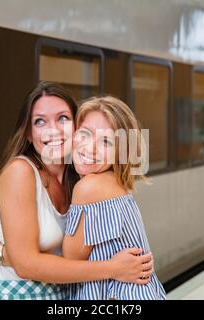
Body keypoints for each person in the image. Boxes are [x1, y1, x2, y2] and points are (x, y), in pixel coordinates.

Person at [0, 82, 154, 300]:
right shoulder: (20, 172)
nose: (53, 130)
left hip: (58, 295)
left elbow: (68, 257)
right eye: (40, 121)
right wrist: (114, 268)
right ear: (29, 134)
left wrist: (1, 254)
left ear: (75, 126)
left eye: (63, 118)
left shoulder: (82, 179)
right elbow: (27, 265)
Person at [62, 96, 166, 300]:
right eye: (85, 134)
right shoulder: (115, 182)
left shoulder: (88, 188)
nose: (90, 148)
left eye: (106, 141)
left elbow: (69, 261)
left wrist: (6, 254)